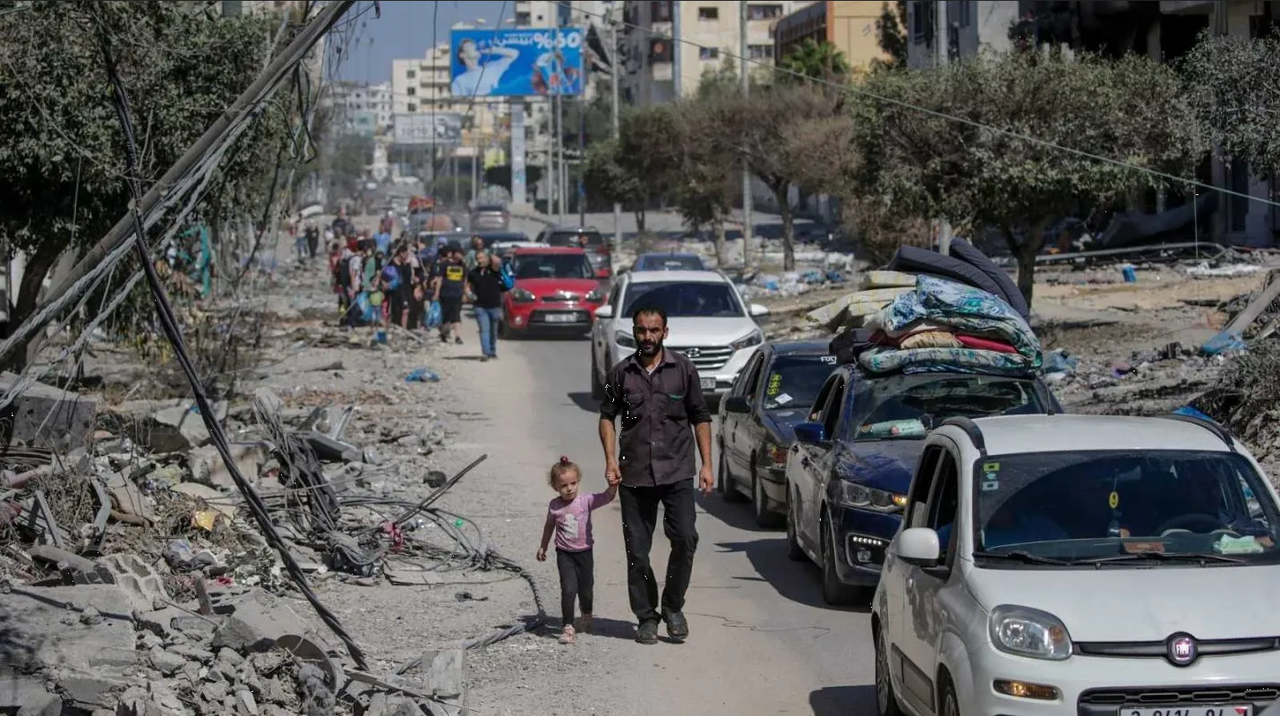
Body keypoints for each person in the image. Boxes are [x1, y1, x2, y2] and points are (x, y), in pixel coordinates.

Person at [598, 304, 714, 645]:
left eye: (654, 330)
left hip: (677, 471)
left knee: (685, 539)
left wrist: (707, 464)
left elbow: (701, 416)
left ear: (665, 332)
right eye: (641, 330)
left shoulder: (683, 369)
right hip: (634, 475)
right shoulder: (622, 373)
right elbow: (607, 416)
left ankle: (673, 607)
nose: (647, 337)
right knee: (637, 551)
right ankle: (646, 617)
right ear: (634, 332)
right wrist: (609, 460)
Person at [537, 456, 619, 645]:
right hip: (564, 553)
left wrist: (613, 485)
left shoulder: (586, 501)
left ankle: (587, 613)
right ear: (555, 487)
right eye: (564, 485)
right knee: (568, 589)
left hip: (584, 553)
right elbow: (549, 526)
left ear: (578, 482)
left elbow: (607, 497)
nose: (569, 488)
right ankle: (568, 626)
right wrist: (543, 545)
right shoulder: (555, 506)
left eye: (573, 483)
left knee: (586, 589)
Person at [467, 252, 507, 361]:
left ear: (487, 259)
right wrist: (469, 294)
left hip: (494, 306)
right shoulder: (473, 273)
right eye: (477, 258)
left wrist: (490, 255)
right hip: (480, 306)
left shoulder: (494, 270)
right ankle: (485, 352)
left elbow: (498, 262)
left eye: (482, 258)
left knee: (493, 331)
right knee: (484, 329)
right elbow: (467, 286)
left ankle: (492, 350)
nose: (479, 260)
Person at [451, 39, 518, 97]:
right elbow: (459, 101)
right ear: (462, 55)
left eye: (475, 47)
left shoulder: (492, 68)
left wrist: (494, 50)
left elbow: (514, 54)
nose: (473, 46)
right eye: (469, 45)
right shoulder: (459, 80)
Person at [432, 245, 467, 343]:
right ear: (454, 253)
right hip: (445, 294)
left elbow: (465, 280)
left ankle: (457, 336)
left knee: (456, 315)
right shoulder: (444, 264)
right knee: (445, 316)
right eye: (459, 253)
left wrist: (464, 293)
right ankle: (443, 333)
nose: (461, 256)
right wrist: (437, 293)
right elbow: (440, 279)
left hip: (458, 293)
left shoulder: (462, 265)